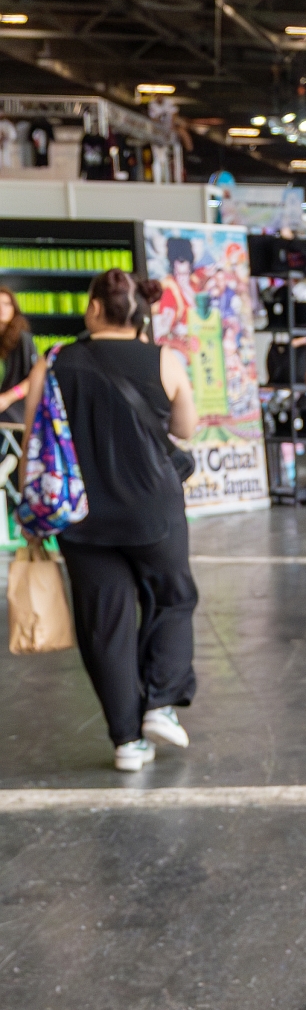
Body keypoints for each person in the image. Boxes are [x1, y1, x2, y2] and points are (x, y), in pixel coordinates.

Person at [21, 268, 198, 772]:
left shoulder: (54, 363)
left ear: (95, 308)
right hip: (153, 511)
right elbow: (185, 427)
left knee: (105, 624)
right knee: (174, 596)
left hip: (82, 515)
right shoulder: (165, 359)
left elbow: (36, 442)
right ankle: (160, 704)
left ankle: (126, 740)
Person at [0, 286, 38, 420]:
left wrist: (8, 398)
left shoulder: (22, 339)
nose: (1, 309)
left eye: (6, 304)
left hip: (14, 410)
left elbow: (34, 378)